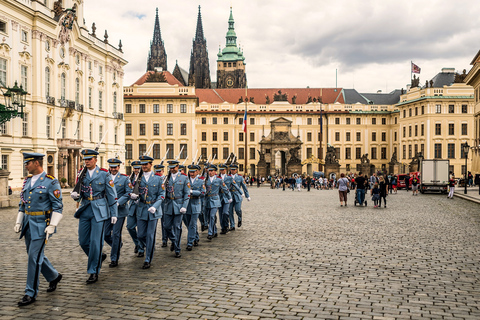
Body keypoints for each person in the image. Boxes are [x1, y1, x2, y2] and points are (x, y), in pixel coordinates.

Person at [15, 153, 63, 306]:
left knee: (33, 258)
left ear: (36, 163)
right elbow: (23, 204)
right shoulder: (27, 181)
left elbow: (58, 206)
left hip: (42, 225)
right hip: (29, 223)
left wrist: (53, 225)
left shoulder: (51, 182)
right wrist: (18, 221)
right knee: (34, 255)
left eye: (27, 163)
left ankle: (31, 292)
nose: (25, 165)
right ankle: (53, 276)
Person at [70, 149, 118, 284]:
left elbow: (111, 194)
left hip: (100, 210)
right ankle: (99, 257)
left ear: (96, 160)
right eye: (85, 159)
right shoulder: (81, 173)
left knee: (96, 243)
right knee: (83, 241)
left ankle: (93, 271)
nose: (87, 161)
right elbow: (79, 191)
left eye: (89, 159)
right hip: (85, 209)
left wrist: (114, 213)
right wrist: (75, 197)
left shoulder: (104, 174)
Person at [129, 155, 165, 268]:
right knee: (140, 235)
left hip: (153, 209)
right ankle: (149, 246)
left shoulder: (158, 178)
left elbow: (162, 194)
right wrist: (134, 197)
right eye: (142, 164)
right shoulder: (138, 179)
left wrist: (155, 206)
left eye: (146, 164)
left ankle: (148, 259)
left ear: (151, 165)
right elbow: (134, 191)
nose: (144, 166)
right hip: (141, 208)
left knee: (150, 235)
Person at [104, 158, 132, 267]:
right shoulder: (105, 177)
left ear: (119, 167)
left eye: (115, 167)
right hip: (107, 210)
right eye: (112, 167)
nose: (113, 169)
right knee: (106, 234)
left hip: (120, 210)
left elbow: (128, 193)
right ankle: (117, 245)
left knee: (116, 234)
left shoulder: (125, 179)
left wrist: (118, 203)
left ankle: (114, 258)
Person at [163, 160, 190, 258]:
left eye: (174, 167)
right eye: (170, 167)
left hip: (179, 206)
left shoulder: (184, 178)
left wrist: (184, 206)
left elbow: (187, 193)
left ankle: (177, 249)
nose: (172, 169)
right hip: (168, 205)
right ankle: (174, 241)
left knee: (177, 227)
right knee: (166, 227)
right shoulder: (166, 178)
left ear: (178, 167)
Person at [205, 164, 231, 238]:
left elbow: (225, 188)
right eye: (209, 171)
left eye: (212, 171)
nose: (210, 172)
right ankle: (214, 230)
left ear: (215, 171)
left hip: (215, 199)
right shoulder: (205, 180)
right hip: (207, 200)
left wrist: (229, 197)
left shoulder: (219, 179)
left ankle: (210, 233)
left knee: (212, 216)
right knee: (208, 218)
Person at [183, 165, 205, 250]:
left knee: (192, 224)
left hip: (196, 205)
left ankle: (190, 242)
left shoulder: (200, 181)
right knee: (188, 224)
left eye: (193, 172)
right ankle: (195, 237)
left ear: (198, 172)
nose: (191, 173)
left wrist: (192, 192)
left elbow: (203, 193)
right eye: (190, 172)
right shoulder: (186, 180)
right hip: (187, 205)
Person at [126, 160, 145, 257]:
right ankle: (137, 242)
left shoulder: (144, 178)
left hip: (141, 205)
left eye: (138, 168)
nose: (136, 170)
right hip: (132, 205)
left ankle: (141, 248)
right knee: (129, 226)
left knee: (141, 229)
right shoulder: (130, 178)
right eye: (135, 168)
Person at [228, 164, 250, 230]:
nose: (232, 171)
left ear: (236, 170)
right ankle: (232, 225)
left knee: (237, 209)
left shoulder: (240, 177)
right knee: (230, 211)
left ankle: (239, 217)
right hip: (230, 195)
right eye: (231, 169)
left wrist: (247, 196)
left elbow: (244, 187)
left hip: (237, 195)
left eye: (234, 170)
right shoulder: (227, 177)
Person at [154, 164, 168, 248]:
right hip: (155, 203)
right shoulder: (154, 179)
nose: (158, 172)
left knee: (164, 223)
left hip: (164, 203)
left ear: (163, 171)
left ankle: (164, 240)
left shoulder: (167, 179)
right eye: (157, 171)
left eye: (160, 171)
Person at [218, 164, 233, 234]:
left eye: (223, 169)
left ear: (226, 170)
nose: (222, 171)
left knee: (225, 213)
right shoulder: (217, 177)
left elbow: (234, 185)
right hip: (219, 197)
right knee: (220, 214)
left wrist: (241, 193)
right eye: (220, 169)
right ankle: (223, 227)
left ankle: (226, 225)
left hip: (227, 197)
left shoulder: (229, 178)